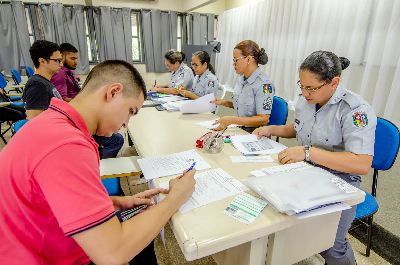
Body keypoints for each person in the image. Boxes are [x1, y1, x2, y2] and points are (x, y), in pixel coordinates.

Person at [0, 60, 196, 264]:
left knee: (141, 232)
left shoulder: (55, 123)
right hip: (43, 257)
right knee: (138, 239)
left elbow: (47, 201)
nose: (125, 124)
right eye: (131, 111)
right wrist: (176, 198)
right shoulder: (66, 145)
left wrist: (110, 204)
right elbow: (112, 254)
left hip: (43, 236)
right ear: (113, 92)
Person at [253, 51, 377, 265]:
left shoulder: (355, 110)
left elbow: (362, 163)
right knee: (270, 208)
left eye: (311, 88)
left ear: (334, 82)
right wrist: (272, 129)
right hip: (307, 170)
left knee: (331, 245)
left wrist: (308, 153)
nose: (305, 93)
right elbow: (300, 129)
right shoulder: (306, 100)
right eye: (301, 85)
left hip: (341, 180)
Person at [49, 42, 124, 160]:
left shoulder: (67, 72)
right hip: (77, 119)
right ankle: (97, 163)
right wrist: (87, 103)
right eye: (72, 58)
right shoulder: (61, 74)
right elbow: (62, 100)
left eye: (77, 58)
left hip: (79, 115)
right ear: (62, 57)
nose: (76, 61)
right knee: (117, 139)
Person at [212, 40, 275, 132]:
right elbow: (241, 106)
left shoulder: (264, 85)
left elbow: (263, 119)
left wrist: (232, 120)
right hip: (239, 129)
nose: (234, 64)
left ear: (249, 59)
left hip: (255, 135)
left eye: (236, 59)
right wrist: (223, 102)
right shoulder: (241, 79)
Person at [22, 40, 63, 120]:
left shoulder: (44, 82)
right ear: (42, 61)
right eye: (57, 60)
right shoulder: (37, 85)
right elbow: (34, 122)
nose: (61, 64)